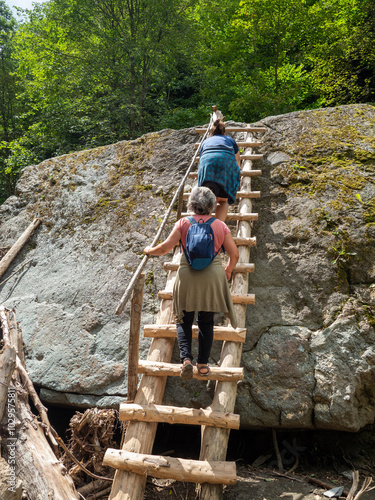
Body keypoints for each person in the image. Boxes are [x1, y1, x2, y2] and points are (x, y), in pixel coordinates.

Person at [144, 187, 239, 379]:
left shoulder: (183, 223)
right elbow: (234, 254)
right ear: (212, 206)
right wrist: (227, 271)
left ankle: (186, 360)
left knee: (184, 320)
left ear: (192, 204)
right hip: (212, 276)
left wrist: (149, 250)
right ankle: (203, 364)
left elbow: (165, 248)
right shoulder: (220, 226)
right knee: (206, 322)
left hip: (187, 275)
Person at [198, 119, 241, 222]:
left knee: (205, 198)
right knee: (222, 200)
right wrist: (235, 174)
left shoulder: (205, 142)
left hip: (207, 167)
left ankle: (202, 225)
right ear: (224, 133)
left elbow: (202, 159)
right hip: (225, 167)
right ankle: (218, 227)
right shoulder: (230, 140)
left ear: (211, 134)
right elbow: (237, 160)